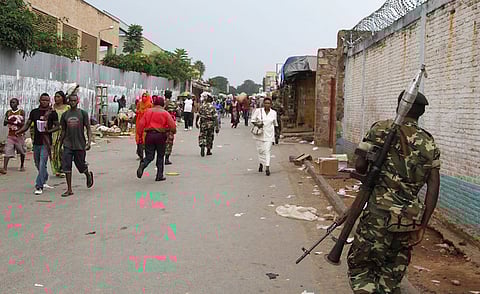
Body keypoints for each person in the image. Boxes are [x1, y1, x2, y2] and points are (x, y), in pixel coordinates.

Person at [347, 91, 441, 294]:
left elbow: (360, 166)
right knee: (391, 275)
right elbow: (433, 187)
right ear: (421, 113)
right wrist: (423, 224)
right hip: (407, 221)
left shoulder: (381, 129)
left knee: (362, 270)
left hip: (377, 217)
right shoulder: (429, 143)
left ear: (400, 106)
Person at [16, 93, 59, 195]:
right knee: (37, 163)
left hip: (46, 142)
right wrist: (19, 131)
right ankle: (44, 177)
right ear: (39, 100)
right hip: (36, 142)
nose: (45, 102)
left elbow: (58, 126)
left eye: (47, 100)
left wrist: (49, 131)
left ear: (49, 101)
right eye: (43, 100)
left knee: (42, 163)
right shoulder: (34, 112)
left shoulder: (52, 113)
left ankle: (39, 186)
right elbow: (27, 124)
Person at [58, 87, 94, 197]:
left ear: (78, 101)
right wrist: (59, 145)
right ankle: (69, 189)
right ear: (68, 101)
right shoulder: (65, 115)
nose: (73, 102)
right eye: (71, 100)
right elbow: (63, 130)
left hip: (80, 144)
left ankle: (87, 173)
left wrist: (88, 142)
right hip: (68, 144)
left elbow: (88, 128)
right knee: (66, 165)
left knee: (80, 165)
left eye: (75, 100)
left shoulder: (83, 114)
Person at [136, 96, 176, 181]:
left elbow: (141, 124)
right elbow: (172, 125)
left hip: (149, 135)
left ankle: (143, 164)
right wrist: (172, 131)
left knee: (149, 156)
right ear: (162, 104)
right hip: (160, 136)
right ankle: (159, 175)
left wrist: (139, 135)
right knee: (160, 156)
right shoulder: (165, 113)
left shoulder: (148, 112)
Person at [251, 97, 277, 176]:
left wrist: (276, 135)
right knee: (260, 150)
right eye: (266, 103)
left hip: (269, 134)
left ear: (271, 104)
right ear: (263, 104)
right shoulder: (258, 111)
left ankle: (267, 167)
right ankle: (261, 163)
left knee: (267, 150)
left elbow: (275, 124)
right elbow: (252, 120)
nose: (267, 105)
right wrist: (258, 124)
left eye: (269, 103)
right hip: (259, 134)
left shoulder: (273, 113)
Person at [0, 98, 26, 175]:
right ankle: (4, 168)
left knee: (21, 152)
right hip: (10, 135)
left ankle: (22, 165)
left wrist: (10, 122)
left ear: (17, 103)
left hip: (19, 135)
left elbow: (22, 124)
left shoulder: (21, 112)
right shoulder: (8, 112)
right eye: (11, 102)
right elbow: (4, 123)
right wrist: (8, 122)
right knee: (7, 151)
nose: (12, 104)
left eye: (14, 102)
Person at [50, 91, 70, 177]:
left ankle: (63, 167)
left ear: (62, 98)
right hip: (55, 131)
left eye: (58, 96)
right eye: (55, 96)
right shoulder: (52, 108)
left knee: (62, 150)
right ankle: (57, 169)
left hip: (65, 131)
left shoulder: (67, 107)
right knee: (55, 150)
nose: (56, 98)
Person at [136, 93, 152, 160]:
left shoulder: (150, 105)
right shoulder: (139, 103)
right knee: (138, 138)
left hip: (147, 124)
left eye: (145, 96)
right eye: (143, 96)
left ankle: (146, 155)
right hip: (139, 123)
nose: (144, 98)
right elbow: (137, 110)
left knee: (145, 139)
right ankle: (140, 154)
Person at [164, 90, 176, 165]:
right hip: (170, 124)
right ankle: (167, 158)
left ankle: (160, 156)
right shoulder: (173, 104)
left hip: (161, 124)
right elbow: (177, 113)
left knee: (161, 141)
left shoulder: (161, 103)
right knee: (169, 141)